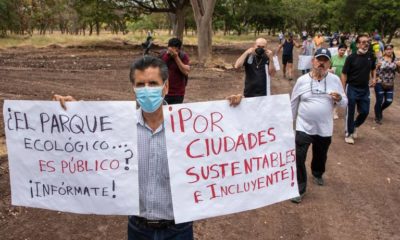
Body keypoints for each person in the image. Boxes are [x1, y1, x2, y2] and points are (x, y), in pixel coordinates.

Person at [53, 56, 241, 240]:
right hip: (138, 228)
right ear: (133, 89)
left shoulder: (189, 127)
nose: (147, 89)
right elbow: (92, 141)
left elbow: (222, 148)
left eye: (153, 83)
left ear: (165, 87)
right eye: (140, 85)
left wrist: (236, 112)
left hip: (179, 229)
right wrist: (73, 114)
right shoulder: (120, 127)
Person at [290, 48, 348, 203]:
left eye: (325, 60)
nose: (321, 63)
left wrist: (339, 98)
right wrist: (289, 122)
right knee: (299, 156)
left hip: (324, 128)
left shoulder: (335, 80)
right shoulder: (302, 81)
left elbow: (344, 103)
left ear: (329, 63)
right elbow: (294, 102)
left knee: (320, 155)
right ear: (313, 61)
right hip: (303, 126)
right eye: (319, 59)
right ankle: (299, 188)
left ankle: (317, 172)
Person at [341, 34, 376, 144]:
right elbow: (344, 73)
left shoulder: (371, 56)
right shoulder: (351, 58)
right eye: (363, 42)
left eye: (367, 42)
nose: (365, 44)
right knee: (350, 111)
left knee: (365, 111)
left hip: (364, 89)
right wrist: (343, 89)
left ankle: (355, 125)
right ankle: (349, 133)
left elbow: (373, 69)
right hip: (351, 87)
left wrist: (374, 78)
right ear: (357, 44)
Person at [374, 44, 400, 124]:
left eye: (390, 49)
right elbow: (374, 70)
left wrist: (399, 66)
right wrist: (375, 79)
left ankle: (380, 110)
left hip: (390, 84)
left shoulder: (395, 60)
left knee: (389, 101)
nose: (389, 51)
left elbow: (398, 72)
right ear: (384, 50)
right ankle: (378, 117)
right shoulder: (380, 59)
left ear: (392, 50)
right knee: (379, 100)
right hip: (380, 83)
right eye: (387, 49)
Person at [159, 37, 190, 104]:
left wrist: (176, 57)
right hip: (163, 92)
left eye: (176, 50)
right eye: (172, 49)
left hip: (178, 93)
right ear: (168, 47)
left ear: (179, 49)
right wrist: (167, 55)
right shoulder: (163, 55)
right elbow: (159, 67)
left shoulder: (183, 56)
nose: (173, 51)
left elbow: (186, 71)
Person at [330, 43, 348, 119]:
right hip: (333, 79)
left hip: (343, 80)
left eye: (344, 50)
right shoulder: (333, 58)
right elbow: (328, 67)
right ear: (338, 50)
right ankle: (333, 111)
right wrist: (330, 70)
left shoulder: (347, 58)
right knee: (333, 95)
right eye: (341, 50)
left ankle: (335, 111)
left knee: (340, 95)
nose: (342, 52)